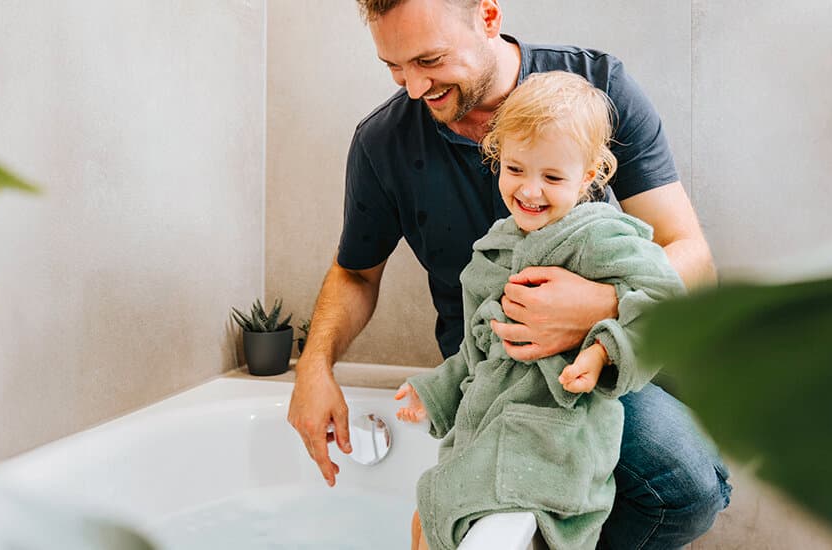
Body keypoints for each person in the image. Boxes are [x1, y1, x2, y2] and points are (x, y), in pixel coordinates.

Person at [286, 0, 731, 547]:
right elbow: (356, 273)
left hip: (599, 358)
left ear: (489, 16)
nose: (414, 88)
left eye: (430, 59)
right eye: (395, 67)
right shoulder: (384, 143)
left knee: (689, 485)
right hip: (489, 365)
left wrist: (595, 307)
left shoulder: (598, 89)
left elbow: (691, 258)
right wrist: (314, 364)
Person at [393, 69, 687, 550]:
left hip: (553, 447)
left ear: (588, 176)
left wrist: (602, 351)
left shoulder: (599, 237)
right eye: (516, 169)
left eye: (552, 176)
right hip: (485, 434)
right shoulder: (494, 249)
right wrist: (434, 392)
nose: (530, 191)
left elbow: (664, 302)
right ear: (498, 157)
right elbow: (476, 352)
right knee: (426, 522)